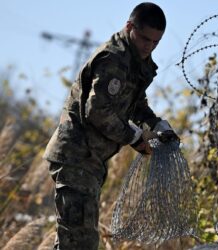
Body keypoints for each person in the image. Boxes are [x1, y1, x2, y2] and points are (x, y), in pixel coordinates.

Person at [43, 2, 178, 249]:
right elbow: (96, 111)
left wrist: (156, 124)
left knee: (72, 240)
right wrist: (135, 138)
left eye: (155, 43)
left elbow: (135, 104)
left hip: (89, 161)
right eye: (145, 39)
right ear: (129, 27)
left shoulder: (135, 61)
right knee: (81, 242)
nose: (149, 47)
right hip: (76, 157)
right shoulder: (114, 59)